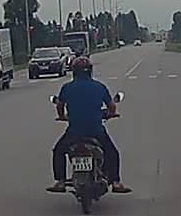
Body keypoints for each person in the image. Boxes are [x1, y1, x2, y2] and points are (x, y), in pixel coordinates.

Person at [47, 56, 132, 194]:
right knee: (112, 152)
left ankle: (60, 182)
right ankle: (116, 182)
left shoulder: (67, 87)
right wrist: (111, 114)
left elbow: (59, 105)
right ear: (90, 71)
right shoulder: (99, 86)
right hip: (96, 130)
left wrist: (62, 116)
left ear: (74, 71)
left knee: (58, 151)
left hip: (74, 131)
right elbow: (111, 106)